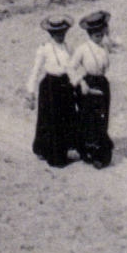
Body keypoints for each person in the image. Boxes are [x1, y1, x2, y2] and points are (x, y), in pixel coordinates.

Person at [24, 15, 77, 167]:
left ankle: (64, 149)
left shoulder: (68, 48)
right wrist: (30, 91)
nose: (61, 36)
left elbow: (71, 68)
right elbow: (35, 70)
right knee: (50, 120)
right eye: (57, 33)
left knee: (65, 119)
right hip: (50, 87)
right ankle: (51, 154)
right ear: (51, 34)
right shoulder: (44, 49)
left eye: (63, 33)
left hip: (65, 86)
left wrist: (76, 83)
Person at [69, 10, 115, 168]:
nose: (99, 37)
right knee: (90, 119)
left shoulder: (104, 46)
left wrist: (108, 33)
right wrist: (81, 82)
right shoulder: (82, 49)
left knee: (103, 118)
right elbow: (71, 68)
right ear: (89, 34)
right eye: (96, 34)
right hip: (88, 84)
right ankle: (91, 153)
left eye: (101, 34)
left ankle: (101, 152)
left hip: (102, 83)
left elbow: (117, 43)